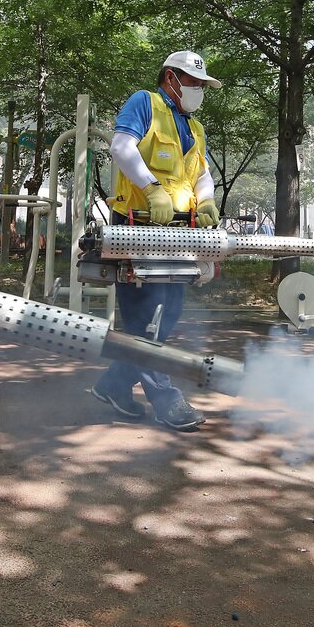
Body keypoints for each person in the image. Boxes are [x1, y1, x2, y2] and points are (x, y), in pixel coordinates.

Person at [89, 51, 222, 431]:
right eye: (194, 83)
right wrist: (151, 189)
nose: (198, 90)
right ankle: (166, 400)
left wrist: (208, 198)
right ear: (171, 78)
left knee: (167, 317)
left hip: (179, 234)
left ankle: (112, 385)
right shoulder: (144, 102)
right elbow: (121, 147)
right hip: (137, 228)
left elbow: (202, 173)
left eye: (201, 85)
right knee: (146, 319)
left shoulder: (194, 127)